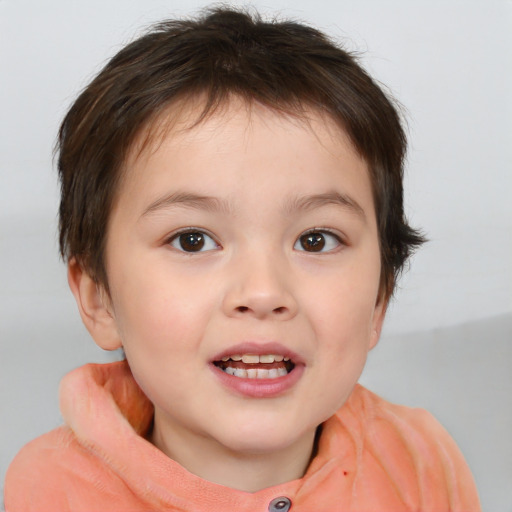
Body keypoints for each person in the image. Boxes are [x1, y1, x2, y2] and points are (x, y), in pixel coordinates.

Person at [4, 7, 481, 511]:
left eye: (316, 240)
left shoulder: (421, 460)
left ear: (381, 298)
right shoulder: (52, 493)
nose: (262, 292)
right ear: (98, 297)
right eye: (192, 240)